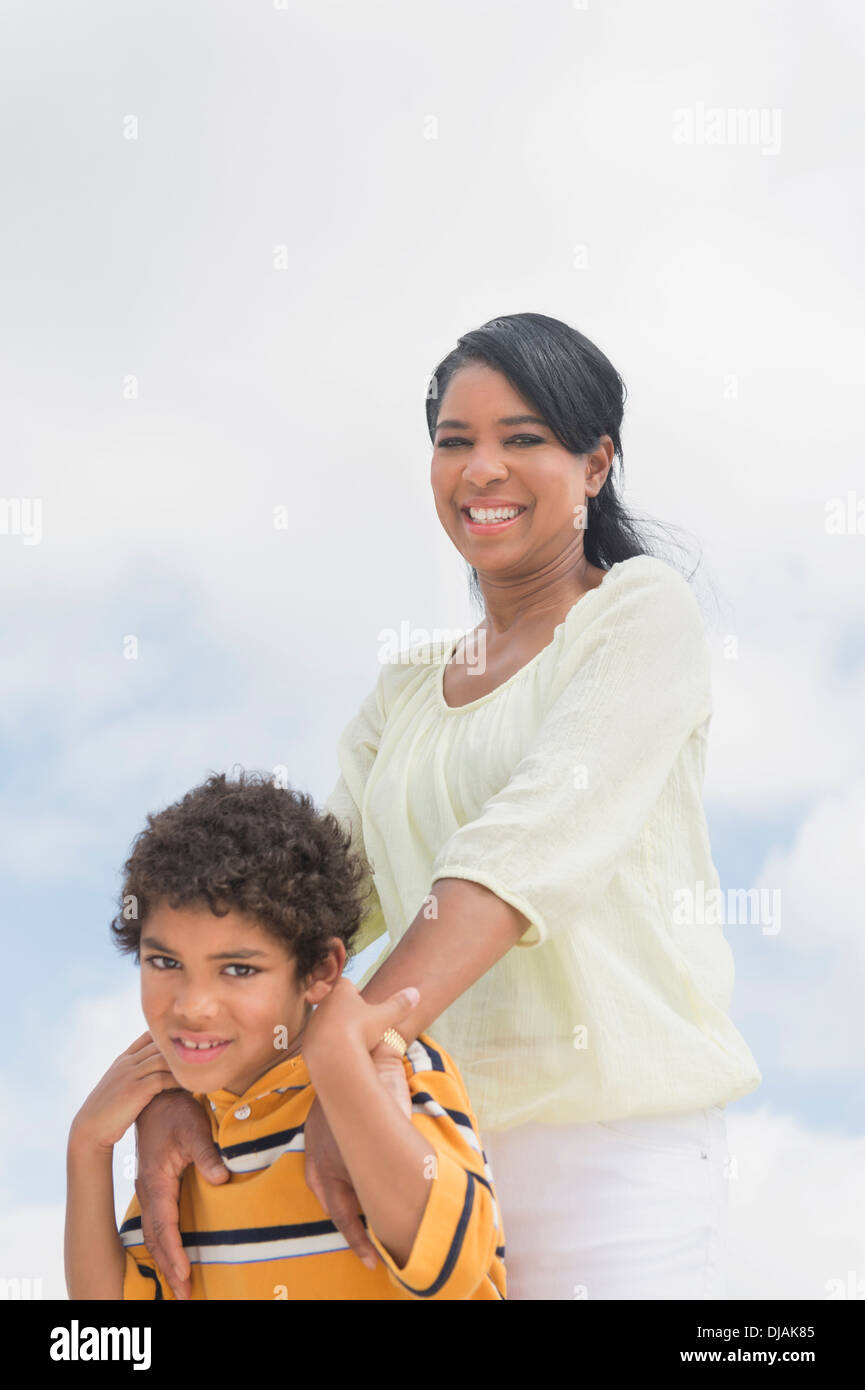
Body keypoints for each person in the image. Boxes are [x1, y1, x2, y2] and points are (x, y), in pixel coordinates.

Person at [133, 311, 762, 1300]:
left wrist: (344, 1046)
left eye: (523, 439)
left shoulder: (641, 616)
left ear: (595, 465)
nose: (481, 469)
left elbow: (518, 855)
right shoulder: (407, 690)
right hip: (423, 1144)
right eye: (454, 441)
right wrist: (173, 1081)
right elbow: (296, 917)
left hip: (616, 1157)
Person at [64, 771, 506, 1300]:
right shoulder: (184, 1137)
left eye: (239, 969)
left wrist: (339, 1067)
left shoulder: (394, 1065)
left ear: (320, 970)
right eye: (164, 961)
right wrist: (87, 1145)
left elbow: (451, 1265)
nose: (193, 1006)